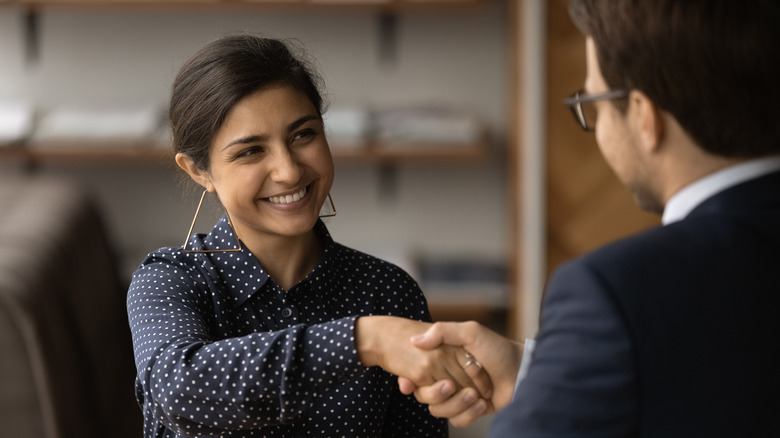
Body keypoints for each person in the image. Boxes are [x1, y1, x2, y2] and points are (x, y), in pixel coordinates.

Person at [400, 0, 780, 436]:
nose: (596, 125)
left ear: (644, 116)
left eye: (594, 103)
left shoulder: (614, 291)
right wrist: (544, 371)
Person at [126, 34, 491, 438]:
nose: (289, 171)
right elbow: (179, 390)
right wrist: (366, 340)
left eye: (303, 135)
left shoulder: (388, 293)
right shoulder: (168, 280)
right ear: (200, 171)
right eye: (251, 151)